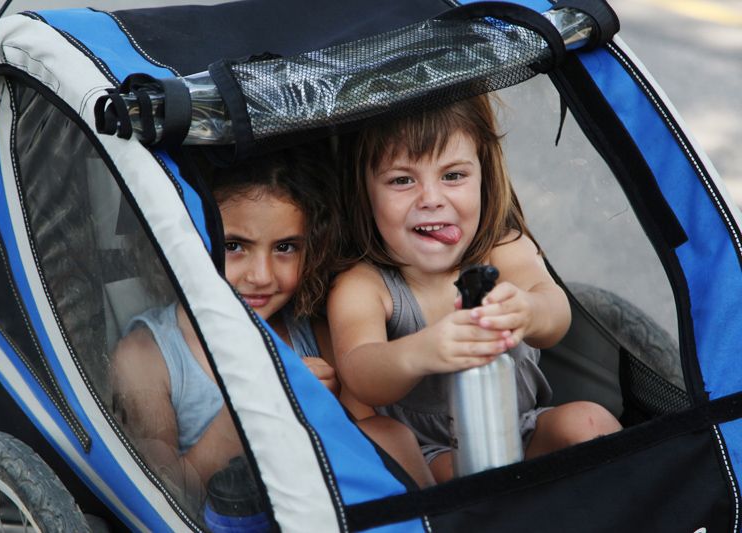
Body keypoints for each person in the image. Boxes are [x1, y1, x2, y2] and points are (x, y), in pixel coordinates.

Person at [110, 145, 434, 514]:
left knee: (390, 436)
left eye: (284, 248)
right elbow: (164, 495)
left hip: (322, 511)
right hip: (230, 518)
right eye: (234, 246)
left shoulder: (311, 333)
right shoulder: (148, 356)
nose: (261, 276)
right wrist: (253, 411)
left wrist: (322, 408)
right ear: (186, 238)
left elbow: (365, 448)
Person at [328, 94, 622, 484]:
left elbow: (555, 316)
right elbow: (360, 371)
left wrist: (529, 310)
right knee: (469, 477)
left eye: (453, 176)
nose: (431, 200)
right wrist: (422, 351)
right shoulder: (365, 284)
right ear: (364, 194)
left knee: (590, 420)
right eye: (402, 180)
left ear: (484, 176)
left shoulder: (503, 249)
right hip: (432, 455)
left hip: (522, 428)